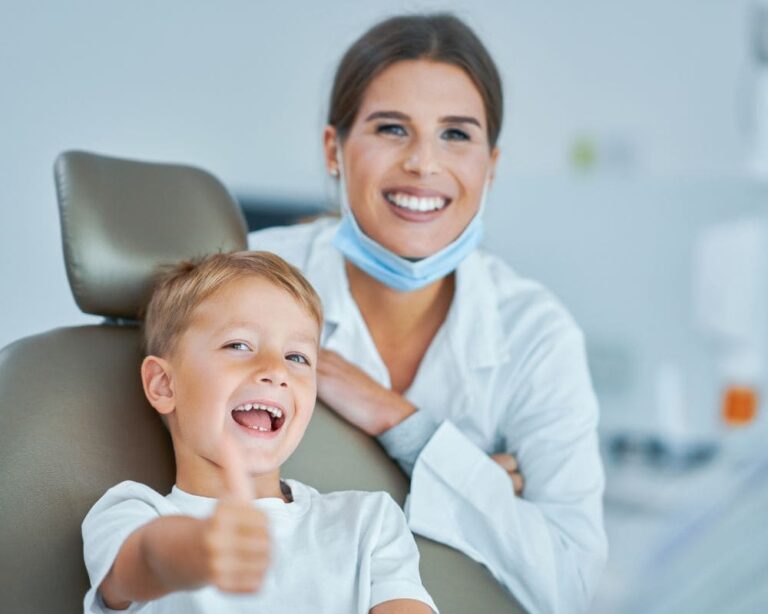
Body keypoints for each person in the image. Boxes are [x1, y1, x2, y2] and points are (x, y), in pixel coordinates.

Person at [248, 13, 607, 614]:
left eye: (456, 135)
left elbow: (569, 581)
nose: (423, 163)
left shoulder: (536, 333)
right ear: (334, 149)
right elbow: (197, 480)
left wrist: (402, 425)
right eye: (392, 128)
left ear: (490, 166)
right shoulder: (253, 282)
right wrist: (475, 487)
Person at [81, 251, 437, 614]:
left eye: (297, 357)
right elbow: (145, 560)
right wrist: (197, 548)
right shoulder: (133, 514)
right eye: (239, 345)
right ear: (164, 385)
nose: (275, 370)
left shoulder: (367, 521)